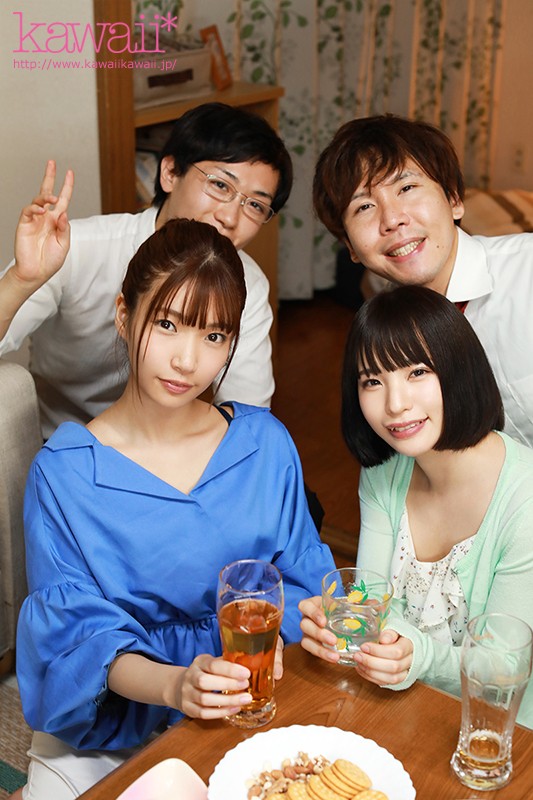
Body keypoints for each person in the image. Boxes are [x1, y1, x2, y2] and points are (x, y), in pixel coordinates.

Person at [13, 213, 335, 800]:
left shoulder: (263, 445)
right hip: (112, 723)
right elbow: (79, 640)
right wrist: (176, 685)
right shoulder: (65, 474)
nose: (188, 361)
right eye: (168, 324)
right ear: (123, 314)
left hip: (252, 702)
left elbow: (304, 581)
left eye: (214, 337)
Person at [299, 286, 533, 729]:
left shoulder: (525, 502)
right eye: (372, 381)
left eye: (417, 372)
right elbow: (370, 600)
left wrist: (417, 656)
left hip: (499, 734)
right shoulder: (384, 472)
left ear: (460, 369)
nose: (395, 404)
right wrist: (342, 623)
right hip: (399, 706)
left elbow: (500, 669)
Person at [0, 102, 293, 439]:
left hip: (168, 447)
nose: (230, 217)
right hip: (61, 440)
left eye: (255, 204)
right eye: (220, 186)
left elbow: (247, 413)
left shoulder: (248, 284)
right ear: (170, 172)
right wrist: (22, 280)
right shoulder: (77, 248)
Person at [313, 114, 533, 447]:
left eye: (406, 188)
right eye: (364, 207)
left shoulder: (526, 271)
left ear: (454, 199)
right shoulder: (381, 330)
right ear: (351, 247)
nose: (392, 220)